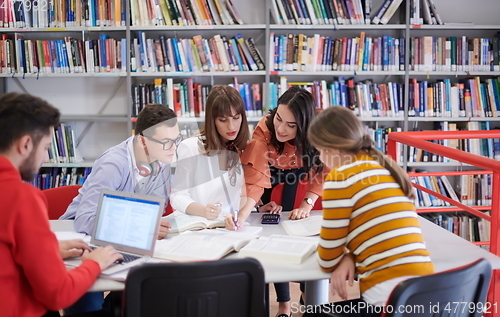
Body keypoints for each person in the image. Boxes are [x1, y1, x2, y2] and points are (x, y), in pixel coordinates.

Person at [0, 92, 122, 317]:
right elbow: (58, 294)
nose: (45, 159)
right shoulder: (22, 197)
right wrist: (94, 263)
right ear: (26, 144)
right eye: (46, 147)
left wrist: (50, 252)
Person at [307, 106, 435, 316]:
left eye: (320, 150)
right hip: (428, 292)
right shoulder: (385, 167)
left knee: (313, 313)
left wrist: (347, 257)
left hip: (389, 299)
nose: (320, 158)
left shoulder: (339, 178)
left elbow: (327, 259)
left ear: (332, 148)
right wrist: (351, 257)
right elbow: (380, 237)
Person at [226, 87, 328, 317]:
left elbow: (324, 170)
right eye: (279, 119)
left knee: (301, 234)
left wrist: (307, 204)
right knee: (270, 235)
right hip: (268, 174)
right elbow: (255, 177)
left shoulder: (321, 127)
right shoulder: (266, 129)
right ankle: (283, 303)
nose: (281, 129)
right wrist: (243, 214)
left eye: (291, 125)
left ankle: (307, 294)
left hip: (300, 172)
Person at [60, 103, 180, 239]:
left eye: (176, 140)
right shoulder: (113, 164)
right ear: (142, 141)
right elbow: (85, 219)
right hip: (80, 235)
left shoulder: (162, 160)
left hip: (123, 235)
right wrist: (140, 227)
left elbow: (155, 211)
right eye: (166, 142)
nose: (174, 147)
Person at [171, 85, 249, 220]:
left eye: (236, 118)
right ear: (212, 120)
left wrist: (255, 207)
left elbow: (237, 196)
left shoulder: (242, 148)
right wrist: (204, 211)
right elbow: (177, 196)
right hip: (201, 225)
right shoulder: (190, 147)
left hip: (233, 225)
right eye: (223, 120)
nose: (231, 126)